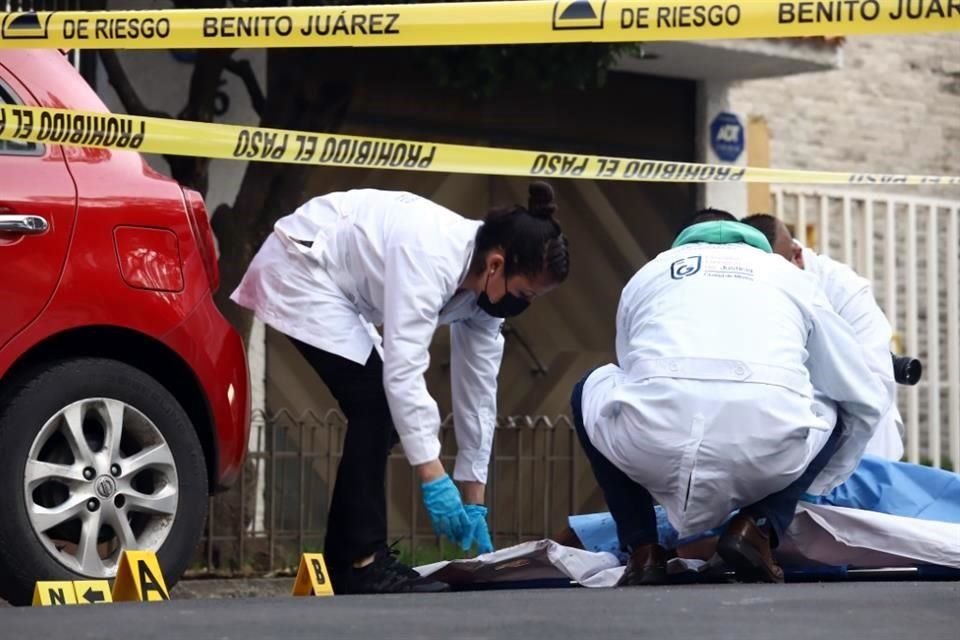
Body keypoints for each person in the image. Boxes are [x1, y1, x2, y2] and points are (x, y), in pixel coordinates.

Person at [231, 183, 570, 594]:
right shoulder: (430, 255)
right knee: (376, 403)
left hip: (341, 287)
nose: (524, 306)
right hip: (303, 266)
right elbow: (404, 369)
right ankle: (360, 561)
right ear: (496, 265)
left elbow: (479, 392)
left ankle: (349, 560)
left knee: (379, 411)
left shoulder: (483, 293)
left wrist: (473, 494)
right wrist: (433, 477)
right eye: (525, 294)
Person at [570, 208, 893, 585]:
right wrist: (815, 484)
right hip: (766, 451)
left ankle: (642, 548)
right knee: (834, 400)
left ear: (685, 242)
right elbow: (860, 392)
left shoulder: (650, 273)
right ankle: (758, 526)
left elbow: (629, 368)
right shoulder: (791, 278)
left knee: (591, 386)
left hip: (653, 444)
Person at [741, 213, 904, 461]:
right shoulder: (751, 284)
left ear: (796, 255)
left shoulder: (843, 289)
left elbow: (872, 389)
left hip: (861, 453)